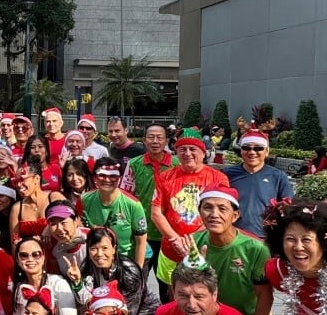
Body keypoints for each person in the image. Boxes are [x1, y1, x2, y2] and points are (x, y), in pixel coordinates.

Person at [191, 187, 273, 315]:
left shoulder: (255, 249)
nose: (214, 214)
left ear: (235, 215)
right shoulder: (195, 242)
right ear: (199, 212)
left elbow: (265, 297)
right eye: (208, 208)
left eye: (222, 208)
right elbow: (183, 290)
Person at [151, 130, 228, 301]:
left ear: (203, 152)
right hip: (171, 251)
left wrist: (194, 239)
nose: (187, 154)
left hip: (205, 249)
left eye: (193, 149)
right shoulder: (165, 177)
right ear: (176, 152)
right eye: (182, 149)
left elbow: (221, 215)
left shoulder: (218, 179)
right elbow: (156, 213)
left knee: (204, 297)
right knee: (170, 299)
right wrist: (175, 239)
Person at [77, 227, 159, 315]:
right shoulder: (87, 268)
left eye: (105, 248)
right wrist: (76, 283)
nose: (99, 254)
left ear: (114, 249)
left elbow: (129, 313)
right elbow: (85, 300)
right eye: (93, 248)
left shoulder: (129, 272)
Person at [121, 124, 177, 281]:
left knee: (168, 284)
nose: (155, 141)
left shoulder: (177, 165)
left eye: (160, 137)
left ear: (166, 140)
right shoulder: (134, 164)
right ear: (144, 140)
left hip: (169, 234)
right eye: (151, 137)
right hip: (141, 233)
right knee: (137, 280)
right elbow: (126, 197)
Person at [12, 236, 78, 315]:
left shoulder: (58, 284)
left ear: (43, 257)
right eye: (24, 255)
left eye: (36, 254)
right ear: (18, 260)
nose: (30, 259)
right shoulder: (19, 289)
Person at [220, 131, 293, 238]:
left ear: (267, 152)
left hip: (264, 238)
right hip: (231, 237)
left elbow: (288, 208)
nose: (252, 152)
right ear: (241, 151)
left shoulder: (278, 177)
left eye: (258, 148)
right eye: (246, 148)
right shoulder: (227, 175)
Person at [80, 158, 147, 267]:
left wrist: (137, 271)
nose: (107, 180)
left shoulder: (133, 205)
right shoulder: (84, 200)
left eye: (113, 176)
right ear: (94, 178)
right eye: (102, 175)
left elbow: (141, 241)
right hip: (98, 258)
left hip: (126, 259)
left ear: (120, 179)